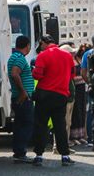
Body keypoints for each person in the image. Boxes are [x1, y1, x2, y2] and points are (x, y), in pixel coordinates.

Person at [30, 35, 76, 166]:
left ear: (44, 43)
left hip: (44, 95)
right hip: (61, 95)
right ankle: (65, 156)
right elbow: (72, 75)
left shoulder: (43, 56)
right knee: (60, 126)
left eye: (41, 44)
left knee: (41, 125)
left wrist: (33, 72)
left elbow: (38, 75)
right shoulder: (67, 56)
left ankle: (39, 155)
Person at [8, 35, 35, 163]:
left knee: (19, 124)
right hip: (22, 98)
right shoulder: (20, 58)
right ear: (27, 46)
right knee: (27, 123)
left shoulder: (14, 56)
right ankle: (20, 151)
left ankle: (18, 152)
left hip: (17, 96)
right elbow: (15, 73)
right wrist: (23, 92)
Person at [70, 46, 89, 144]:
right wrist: (82, 78)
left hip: (82, 89)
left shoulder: (79, 60)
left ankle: (80, 135)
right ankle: (73, 136)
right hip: (76, 88)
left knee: (82, 111)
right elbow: (72, 77)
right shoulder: (72, 61)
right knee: (75, 113)